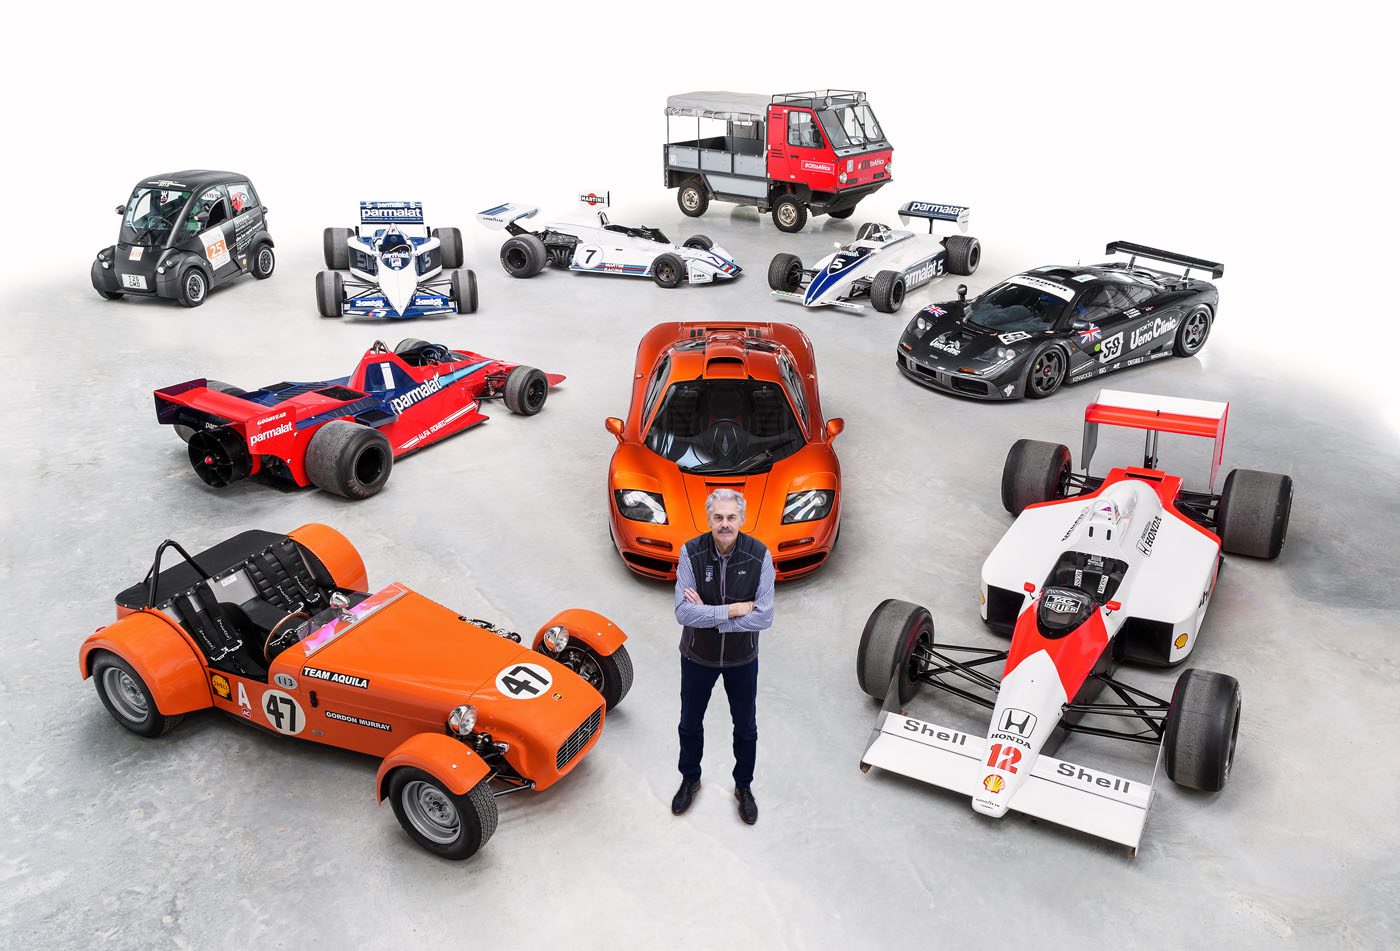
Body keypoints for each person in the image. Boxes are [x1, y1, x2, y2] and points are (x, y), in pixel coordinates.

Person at [671, 488, 775, 825]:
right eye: (718, 517)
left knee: (745, 728)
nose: (725, 524)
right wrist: (731, 611)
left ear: (742, 519)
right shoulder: (691, 552)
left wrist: (710, 617)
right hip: (696, 656)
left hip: (741, 659)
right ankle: (690, 779)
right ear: (709, 519)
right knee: (689, 723)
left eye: (731, 517)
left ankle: (743, 787)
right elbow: (683, 613)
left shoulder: (760, 556)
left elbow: (764, 617)